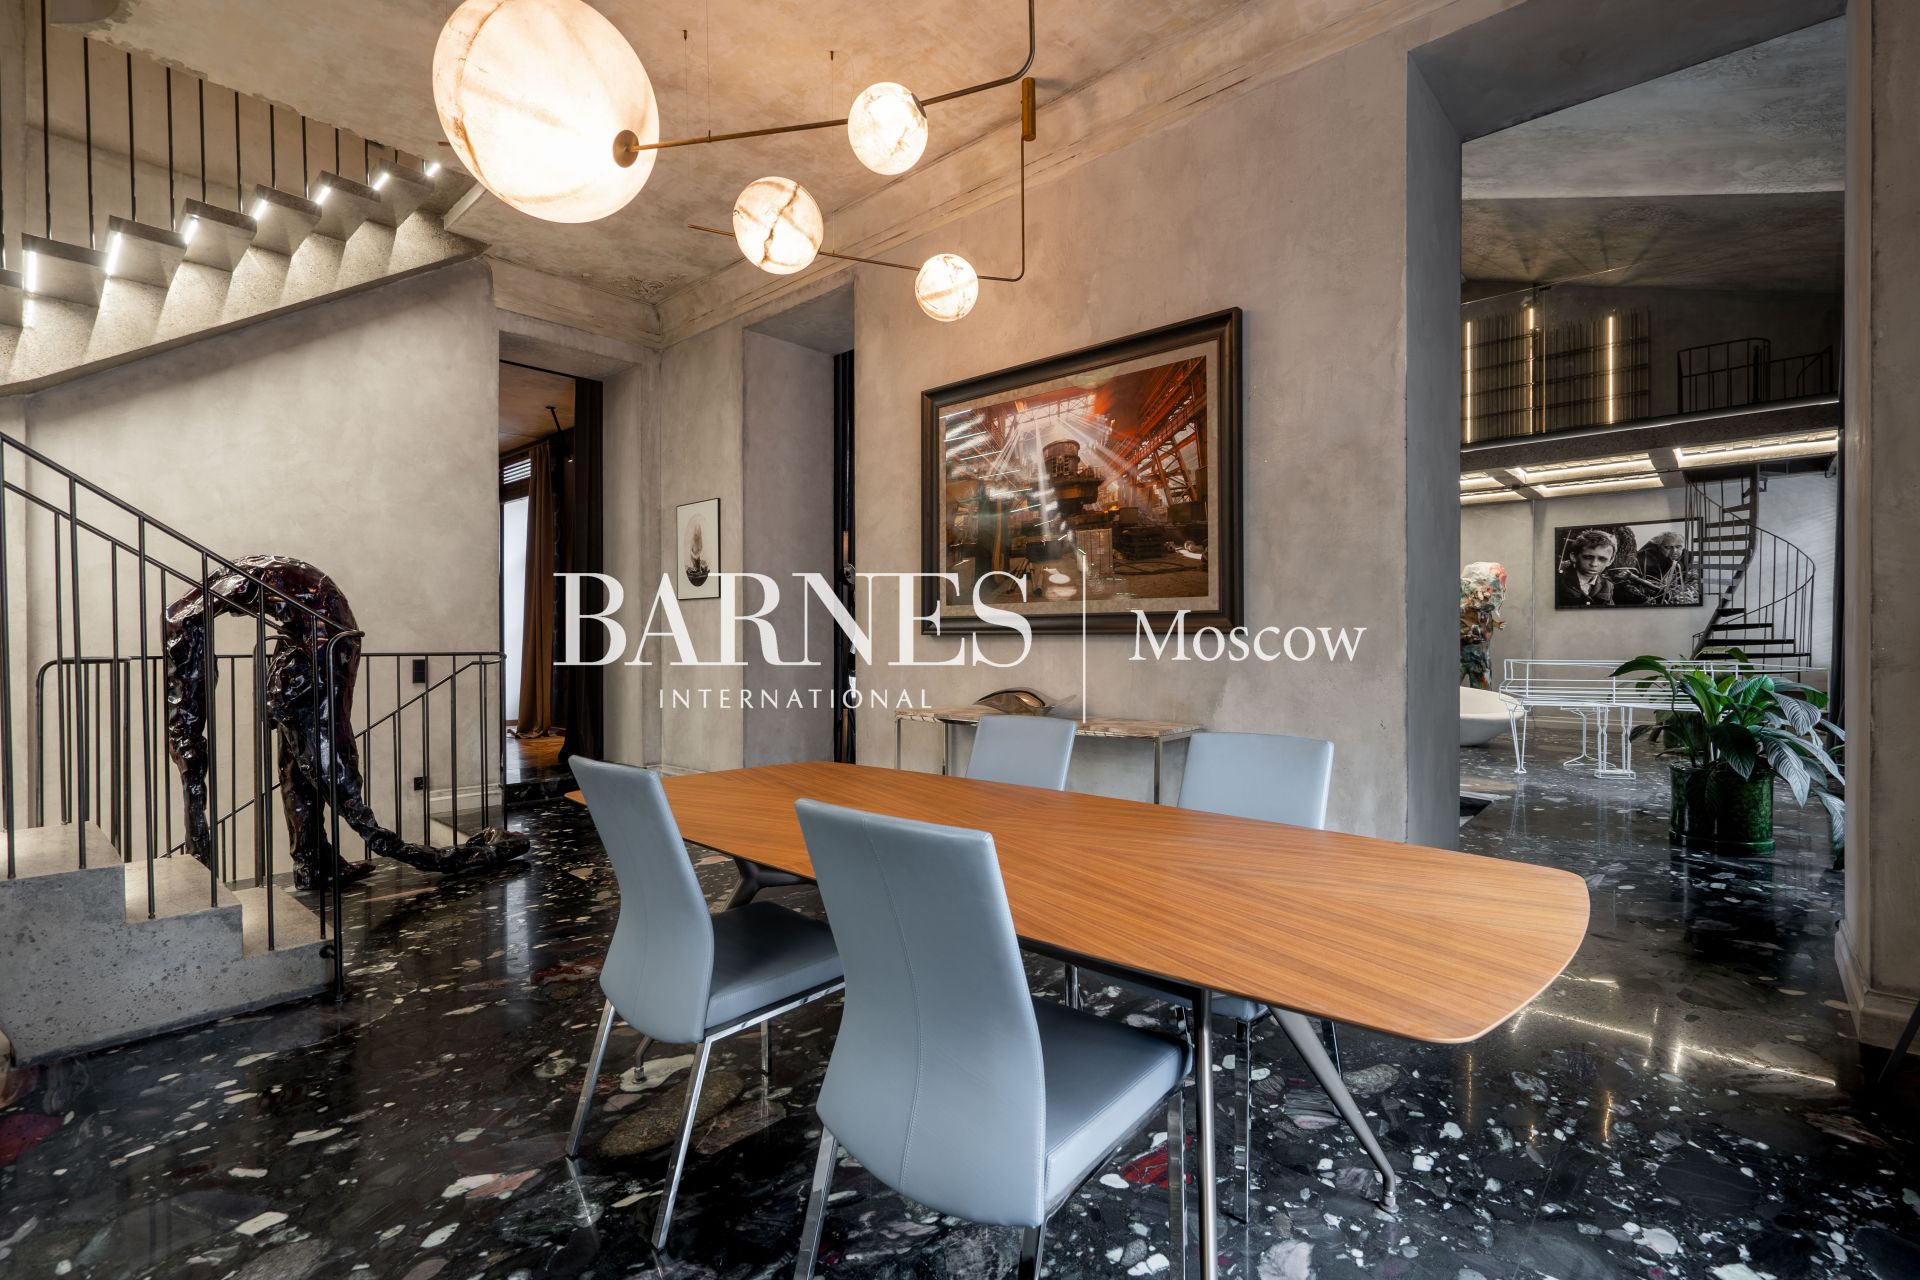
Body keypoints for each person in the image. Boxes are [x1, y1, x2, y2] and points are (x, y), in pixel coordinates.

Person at [1556, 528, 1618, 607]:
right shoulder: (1558, 581)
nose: (1594, 564)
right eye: (1588, 557)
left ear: (1610, 561)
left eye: (1602, 559)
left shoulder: (1607, 586)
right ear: (1574, 557)